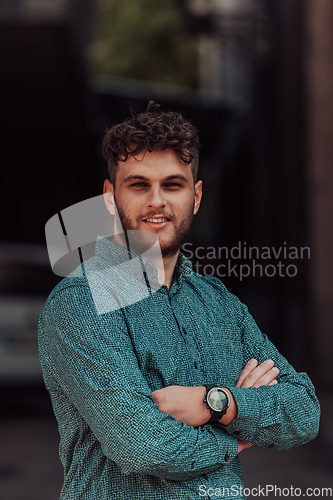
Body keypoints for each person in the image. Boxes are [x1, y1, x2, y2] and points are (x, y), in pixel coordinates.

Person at [38, 101, 320, 500]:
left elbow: (304, 410)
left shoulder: (218, 302)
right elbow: (143, 447)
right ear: (109, 198)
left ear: (196, 196)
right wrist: (237, 438)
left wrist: (215, 402)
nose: (157, 201)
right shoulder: (82, 302)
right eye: (138, 185)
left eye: (172, 184)